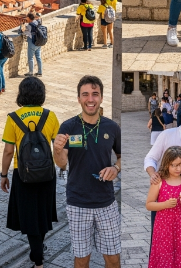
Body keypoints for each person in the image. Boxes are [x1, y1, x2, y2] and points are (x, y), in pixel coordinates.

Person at [52, 75, 121, 268]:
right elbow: (62, 163)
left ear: (101, 97)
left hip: (106, 203)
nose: (90, 99)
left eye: (95, 94)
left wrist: (115, 168)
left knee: (113, 259)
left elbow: (121, 156)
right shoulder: (68, 126)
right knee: (82, 260)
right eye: (85, 94)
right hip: (78, 203)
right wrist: (57, 150)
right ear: (78, 98)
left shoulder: (112, 127)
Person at [0, 77, 59, 268]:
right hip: (46, 173)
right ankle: (39, 248)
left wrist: (3, 175)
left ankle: (37, 258)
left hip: (23, 174)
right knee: (42, 213)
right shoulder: (50, 116)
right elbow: (58, 147)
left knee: (30, 215)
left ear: (21, 94)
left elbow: (8, 151)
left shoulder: (13, 118)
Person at [146, 146, 181, 268]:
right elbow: (149, 204)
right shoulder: (159, 181)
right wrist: (165, 204)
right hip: (163, 227)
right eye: (174, 165)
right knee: (164, 255)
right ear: (166, 164)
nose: (178, 169)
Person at [23, 13, 44, 77]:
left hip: (32, 42)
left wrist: (22, 26)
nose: (26, 19)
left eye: (27, 18)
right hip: (39, 42)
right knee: (38, 57)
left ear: (29, 18)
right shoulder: (38, 22)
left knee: (30, 58)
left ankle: (31, 72)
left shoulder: (30, 25)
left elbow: (24, 32)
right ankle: (40, 72)